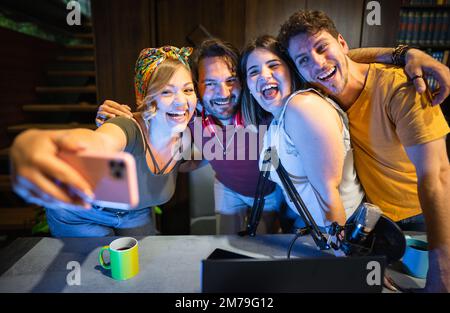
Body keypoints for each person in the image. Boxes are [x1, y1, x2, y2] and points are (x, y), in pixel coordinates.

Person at [277, 9, 450, 292]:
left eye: (322, 47)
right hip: (374, 221)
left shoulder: (400, 88)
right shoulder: (316, 88)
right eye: (304, 59)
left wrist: (442, 266)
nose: (318, 63)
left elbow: (438, 176)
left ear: (342, 44)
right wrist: (403, 52)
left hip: (423, 218)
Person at [97, 39, 286, 235]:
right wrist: (115, 117)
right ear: (197, 87)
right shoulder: (191, 113)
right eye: (210, 83)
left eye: (230, 80)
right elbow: (154, 113)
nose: (223, 93)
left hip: (266, 190)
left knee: (266, 245)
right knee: (229, 245)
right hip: (227, 187)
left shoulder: (260, 108)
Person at [10, 46, 198, 237]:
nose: (181, 101)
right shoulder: (127, 127)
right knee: (104, 265)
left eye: (188, 89)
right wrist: (41, 144)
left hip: (134, 214)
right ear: (144, 98)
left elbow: (199, 159)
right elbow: (99, 142)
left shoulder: (185, 136)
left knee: (146, 261)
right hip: (81, 213)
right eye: (166, 92)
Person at [240, 35, 364, 228]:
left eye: (273, 66)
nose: (264, 75)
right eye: (254, 72)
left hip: (342, 231)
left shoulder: (303, 107)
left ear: (291, 70)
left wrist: (340, 254)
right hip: (312, 229)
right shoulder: (275, 122)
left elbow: (328, 194)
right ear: (248, 86)